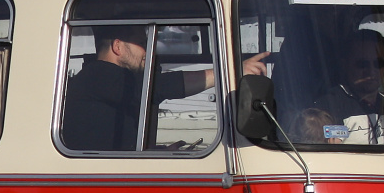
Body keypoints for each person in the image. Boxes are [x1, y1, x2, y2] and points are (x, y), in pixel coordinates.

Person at [62, 27, 263, 151]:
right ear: (118, 47)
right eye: (141, 43)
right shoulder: (99, 75)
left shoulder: (107, 82)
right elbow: (158, 87)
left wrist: (156, 151)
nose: (148, 51)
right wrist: (228, 73)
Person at [313, 28, 384, 144]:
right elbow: (330, 149)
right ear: (346, 64)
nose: (371, 71)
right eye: (362, 64)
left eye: (378, 64)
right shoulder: (329, 104)